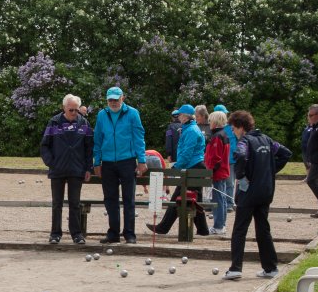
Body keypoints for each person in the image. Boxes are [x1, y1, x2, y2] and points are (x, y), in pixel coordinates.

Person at [222, 110, 291, 280]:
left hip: (249, 193)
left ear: (240, 127)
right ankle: (270, 268)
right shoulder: (266, 140)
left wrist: (241, 176)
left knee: (239, 229)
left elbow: (240, 155)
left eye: (233, 128)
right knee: (263, 229)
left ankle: (235, 268)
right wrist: (270, 170)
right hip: (266, 191)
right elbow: (285, 153)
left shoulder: (245, 141)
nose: (233, 132)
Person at [93, 86, 147, 244]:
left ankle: (129, 234)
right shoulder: (102, 115)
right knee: (110, 199)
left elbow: (139, 138)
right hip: (107, 163)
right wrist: (97, 162)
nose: (113, 102)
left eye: (116, 99)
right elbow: (97, 139)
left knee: (129, 199)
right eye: (110, 99)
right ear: (107, 100)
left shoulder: (133, 113)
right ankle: (113, 233)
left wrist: (141, 160)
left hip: (127, 161)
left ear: (122, 98)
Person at [146, 104, 210, 237]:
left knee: (180, 198)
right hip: (194, 167)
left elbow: (187, 153)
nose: (178, 116)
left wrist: (176, 166)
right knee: (193, 199)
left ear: (186, 116)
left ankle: (164, 227)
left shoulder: (191, 130)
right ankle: (203, 230)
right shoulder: (189, 128)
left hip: (193, 167)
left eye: (180, 114)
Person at [41, 94, 93, 244]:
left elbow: (89, 147)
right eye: (71, 110)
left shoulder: (84, 123)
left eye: (77, 110)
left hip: (76, 169)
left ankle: (76, 234)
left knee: (74, 203)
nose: (74, 113)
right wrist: (51, 163)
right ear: (64, 108)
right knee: (57, 203)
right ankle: (55, 233)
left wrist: (88, 168)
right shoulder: (54, 122)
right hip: (58, 169)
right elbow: (44, 145)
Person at [205, 110, 231, 234]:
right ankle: (221, 225)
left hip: (217, 173)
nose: (209, 123)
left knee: (218, 200)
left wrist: (210, 172)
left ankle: (218, 226)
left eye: (210, 121)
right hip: (223, 171)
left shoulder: (217, 136)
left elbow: (215, 158)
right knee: (222, 199)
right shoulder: (224, 135)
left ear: (215, 122)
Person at [214, 104, 237, 212]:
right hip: (219, 160)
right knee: (218, 183)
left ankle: (229, 203)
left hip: (231, 160)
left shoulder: (231, 127)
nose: (226, 116)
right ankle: (219, 203)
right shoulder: (214, 129)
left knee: (230, 183)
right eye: (225, 114)